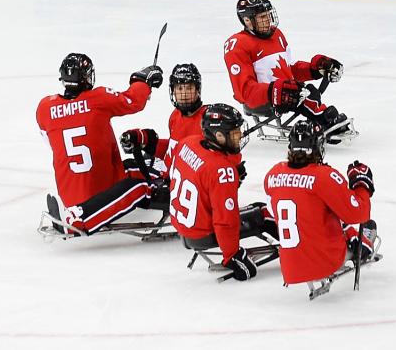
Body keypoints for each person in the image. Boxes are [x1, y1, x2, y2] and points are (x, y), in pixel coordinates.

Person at [35, 52, 165, 237]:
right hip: (101, 189)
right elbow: (133, 101)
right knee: (139, 185)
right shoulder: (98, 98)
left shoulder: (44, 108)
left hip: (68, 193)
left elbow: (53, 145)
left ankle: (76, 209)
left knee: (139, 165)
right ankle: (79, 219)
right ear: (87, 77)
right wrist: (142, 81)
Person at [224, 0, 351, 143]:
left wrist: (315, 69)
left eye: (268, 15)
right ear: (247, 21)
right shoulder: (237, 44)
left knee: (307, 90)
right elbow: (244, 92)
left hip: (287, 94)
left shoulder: (276, 35)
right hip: (262, 100)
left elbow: (288, 69)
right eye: (262, 17)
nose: (268, 21)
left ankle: (321, 118)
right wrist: (274, 91)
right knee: (303, 93)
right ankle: (325, 122)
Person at [264, 121, 377, 286]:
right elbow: (358, 214)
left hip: (290, 267)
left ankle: (350, 235)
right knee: (363, 222)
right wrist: (362, 186)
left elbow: (276, 213)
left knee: (316, 211)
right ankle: (362, 245)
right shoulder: (324, 177)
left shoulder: (273, 174)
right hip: (325, 263)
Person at [168, 104, 268, 282]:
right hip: (202, 234)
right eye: (235, 132)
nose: (240, 136)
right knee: (264, 213)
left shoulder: (188, 143)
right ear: (219, 136)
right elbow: (225, 221)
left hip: (182, 226)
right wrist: (232, 255)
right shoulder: (222, 171)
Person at [119, 62, 207, 172]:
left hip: (178, 183)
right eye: (179, 89)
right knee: (120, 169)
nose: (184, 94)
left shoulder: (207, 121)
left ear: (198, 90)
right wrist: (145, 141)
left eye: (189, 88)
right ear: (173, 91)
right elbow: (173, 152)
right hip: (167, 174)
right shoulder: (175, 115)